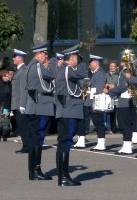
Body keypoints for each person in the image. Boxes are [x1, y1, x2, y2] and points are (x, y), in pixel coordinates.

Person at [20, 42, 55, 181]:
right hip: (40, 106)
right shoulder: (37, 66)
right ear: (39, 54)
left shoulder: (30, 66)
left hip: (35, 106)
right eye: (45, 55)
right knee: (37, 140)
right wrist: (50, 65)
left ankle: (33, 170)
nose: (46, 57)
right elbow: (52, 76)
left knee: (36, 139)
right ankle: (35, 170)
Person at [55, 45, 85, 186]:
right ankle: (64, 177)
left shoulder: (63, 69)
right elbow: (83, 74)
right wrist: (84, 61)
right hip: (69, 110)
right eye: (77, 58)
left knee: (63, 143)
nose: (78, 61)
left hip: (64, 110)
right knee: (65, 143)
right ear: (72, 58)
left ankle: (63, 176)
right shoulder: (68, 69)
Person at [85, 55, 107, 151]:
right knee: (96, 122)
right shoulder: (94, 73)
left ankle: (101, 143)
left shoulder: (100, 73)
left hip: (96, 101)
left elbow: (99, 88)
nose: (90, 64)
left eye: (91, 62)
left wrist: (88, 91)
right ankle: (100, 143)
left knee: (98, 123)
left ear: (96, 63)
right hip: (91, 101)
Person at [11, 49, 29, 153]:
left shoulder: (23, 70)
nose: (13, 58)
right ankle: (26, 145)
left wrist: (22, 104)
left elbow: (23, 89)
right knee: (21, 126)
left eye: (15, 56)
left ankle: (26, 146)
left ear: (20, 58)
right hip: (17, 104)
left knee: (23, 126)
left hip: (20, 104)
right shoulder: (19, 70)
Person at [105, 61, 119, 135]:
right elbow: (103, 83)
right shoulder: (106, 74)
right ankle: (110, 129)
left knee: (118, 113)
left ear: (116, 67)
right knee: (110, 113)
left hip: (118, 96)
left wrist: (115, 85)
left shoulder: (119, 74)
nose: (111, 67)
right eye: (110, 66)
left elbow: (122, 83)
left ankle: (118, 128)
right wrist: (107, 85)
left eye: (113, 66)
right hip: (109, 96)